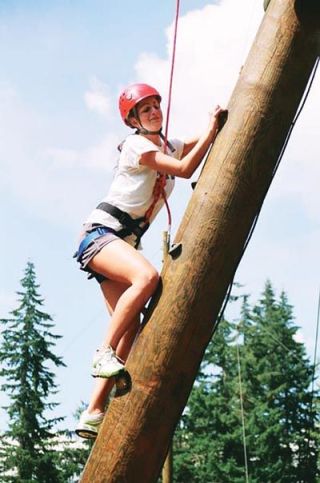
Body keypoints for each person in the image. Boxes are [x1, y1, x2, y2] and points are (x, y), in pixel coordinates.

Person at [75, 83, 224, 438]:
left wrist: (212, 126)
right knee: (147, 278)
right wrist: (212, 130)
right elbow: (186, 168)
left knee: (131, 330)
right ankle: (103, 352)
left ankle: (93, 411)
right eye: (146, 110)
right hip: (101, 235)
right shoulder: (137, 146)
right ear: (133, 121)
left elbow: (192, 145)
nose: (155, 112)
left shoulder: (165, 144)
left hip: (121, 242)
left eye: (157, 106)